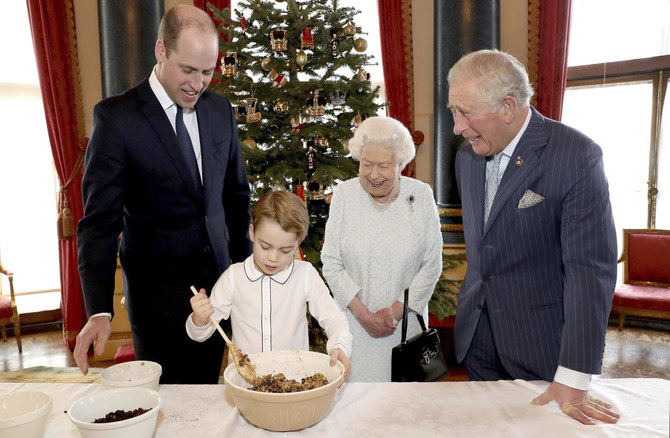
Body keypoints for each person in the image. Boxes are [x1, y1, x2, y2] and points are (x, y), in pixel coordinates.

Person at [74, 5, 252, 384]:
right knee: (169, 410)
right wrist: (98, 310)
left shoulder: (220, 110)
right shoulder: (117, 119)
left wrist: (247, 275)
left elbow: (236, 200)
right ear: (160, 51)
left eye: (207, 72)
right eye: (187, 70)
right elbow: (99, 224)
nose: (197, 83)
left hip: (220, 292)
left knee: (209, 398)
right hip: (159, 306)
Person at [448, 49, 620, 424]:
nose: (457, 127)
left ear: (508, 107)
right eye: (453, 112)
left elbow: (590, 272)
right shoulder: (466, 156)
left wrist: (575, 375)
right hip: (477, 339)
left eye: (466, 113)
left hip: (541, 348)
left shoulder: (576, 156)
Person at [321, 116, 443, 382]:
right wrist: (365, 316)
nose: (374, 174)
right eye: (366, 164)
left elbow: (432, 264)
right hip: (354, 328)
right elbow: (330, 261)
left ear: (401, 164)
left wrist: (393, 313)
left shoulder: (420, 196)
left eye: (384, 166)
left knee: (404, 412)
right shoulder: (344, 195)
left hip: (405, 331)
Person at [187, 191, 352, 378]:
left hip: (293, 381)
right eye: (265, 246)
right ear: (252, 232)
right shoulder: (233, 277)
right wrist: (200, 320)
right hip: (246, 383)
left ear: (299, 242)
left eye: (285, 250)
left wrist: (339, 345)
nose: (273, 258)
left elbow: (334, 318)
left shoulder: (305, 274)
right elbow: (201, 333)